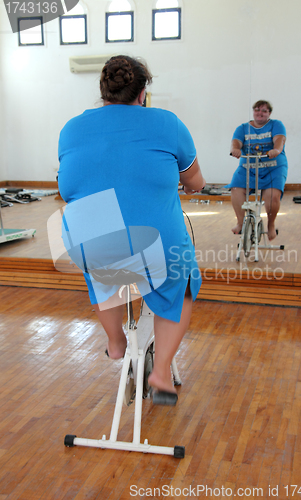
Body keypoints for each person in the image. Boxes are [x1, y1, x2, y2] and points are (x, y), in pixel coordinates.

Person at [57, 55, 205, 404]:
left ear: (103, 92)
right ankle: (161, 371)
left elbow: (66, 187)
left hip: (91, 245)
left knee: (99, 264)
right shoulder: (168, 123)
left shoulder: (71, 129)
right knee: (180, 283)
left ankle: (115, 341)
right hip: (155, 247)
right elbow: (195, 181)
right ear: (142, 94)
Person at [228, 100, 288, 240]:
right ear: (253, 111)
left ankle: (271, 225)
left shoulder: (276, 125)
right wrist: (235, 150)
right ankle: (240, 222)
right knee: (236, 189)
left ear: (269, 113)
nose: (260, 113)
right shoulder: (243, 128)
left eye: (264, 111)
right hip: (248, 168)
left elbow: (280, 140)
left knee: (272, 196)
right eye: (257, 110)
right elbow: (236, 142)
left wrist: (276, 150)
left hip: (273, 168)